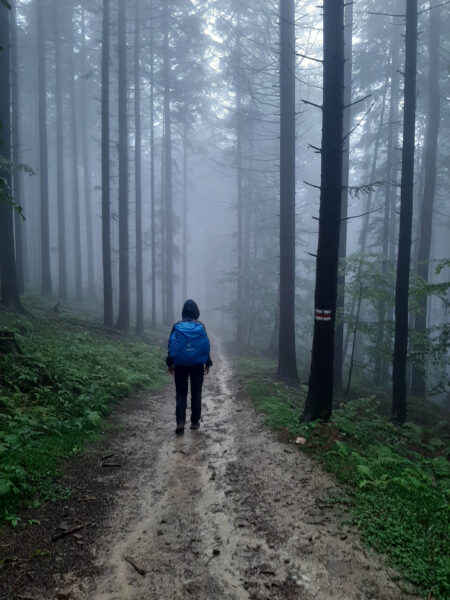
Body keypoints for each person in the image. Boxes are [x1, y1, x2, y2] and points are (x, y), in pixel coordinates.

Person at [166, 299, 213, 435]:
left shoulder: (177, 326)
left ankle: (180, 421)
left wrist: (170, 363)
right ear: (196, 312)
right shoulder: (201, 326)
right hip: (197, 364)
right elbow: (205, 346)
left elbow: (171, 346)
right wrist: (207, 363)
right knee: (196, 392)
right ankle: (194, 422)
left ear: (183, 312)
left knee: (181, 393)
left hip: (180, 364)